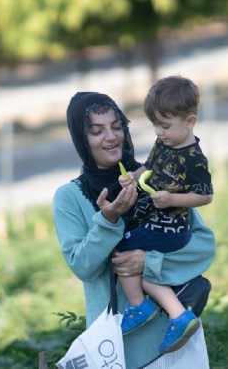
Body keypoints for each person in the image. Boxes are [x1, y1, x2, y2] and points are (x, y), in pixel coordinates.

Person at [53, 91, 215, 368]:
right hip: (117, 352)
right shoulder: (69, 197)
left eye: (117, 127)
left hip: (178, 344)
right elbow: (83, 267)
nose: (111, 137)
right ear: (81, 140)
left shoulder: (156, 176)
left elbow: (203, 245)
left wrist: (149, 261)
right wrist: (108, 219)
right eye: (96, 131)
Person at [116, 75, 214, 353]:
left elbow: (205, 195)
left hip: (172, 226)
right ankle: (178, 316)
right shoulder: (165, 144)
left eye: (165, 126)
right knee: (148, 275)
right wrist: (133, 178)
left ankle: (138, 307)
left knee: (123, 245)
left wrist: (173, 198)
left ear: (190, 121)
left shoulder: (194, 158)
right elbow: (148, 168)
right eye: (155, 125)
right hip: (156, 221)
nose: (159, 132)